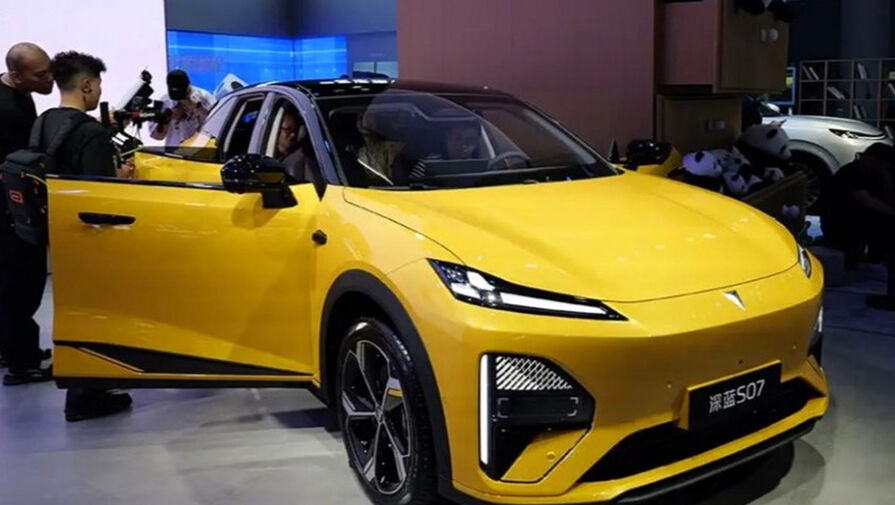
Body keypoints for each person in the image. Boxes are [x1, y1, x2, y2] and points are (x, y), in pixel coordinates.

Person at [37, 51, 133, 419]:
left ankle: (82, 387)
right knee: (97, 313)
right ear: (87, 85)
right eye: (99, 85)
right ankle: (87, 396)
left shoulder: (44, 122)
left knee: (73, 310)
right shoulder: (91, 133)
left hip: (59, 233)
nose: (100, 92)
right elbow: (101, 195)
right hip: (90, 237)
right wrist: (122, 178)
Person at [0, 42, 55, 384]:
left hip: (14, 205)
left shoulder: (20, 94)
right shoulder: (5, 109)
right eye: (41, 75)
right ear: (17, 76)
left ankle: (13, 350)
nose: (49, 79)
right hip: (12, 210)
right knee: (20, 284)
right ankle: (22, 364)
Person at [822, 143, 895, 310]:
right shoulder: (853, 173)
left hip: (861, 221)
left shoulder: (877, 173)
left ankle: (878, 260)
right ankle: (877, 261)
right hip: (843, 223)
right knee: (884, 224)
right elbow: (865, 200)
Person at [150, 69, 216, 147]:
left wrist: (198, 108)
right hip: (174, 150)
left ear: (188, 85)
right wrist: (168, 117)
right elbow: (157, 137)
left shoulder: (204, 97)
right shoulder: (164, 101)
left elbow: (219, 124)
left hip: (201, 148)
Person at [275, 106, 317, 184]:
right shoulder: (269, 155)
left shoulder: (301, 159)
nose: (293, 135)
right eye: (288, 130)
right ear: (277, 130)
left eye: (296, 130)